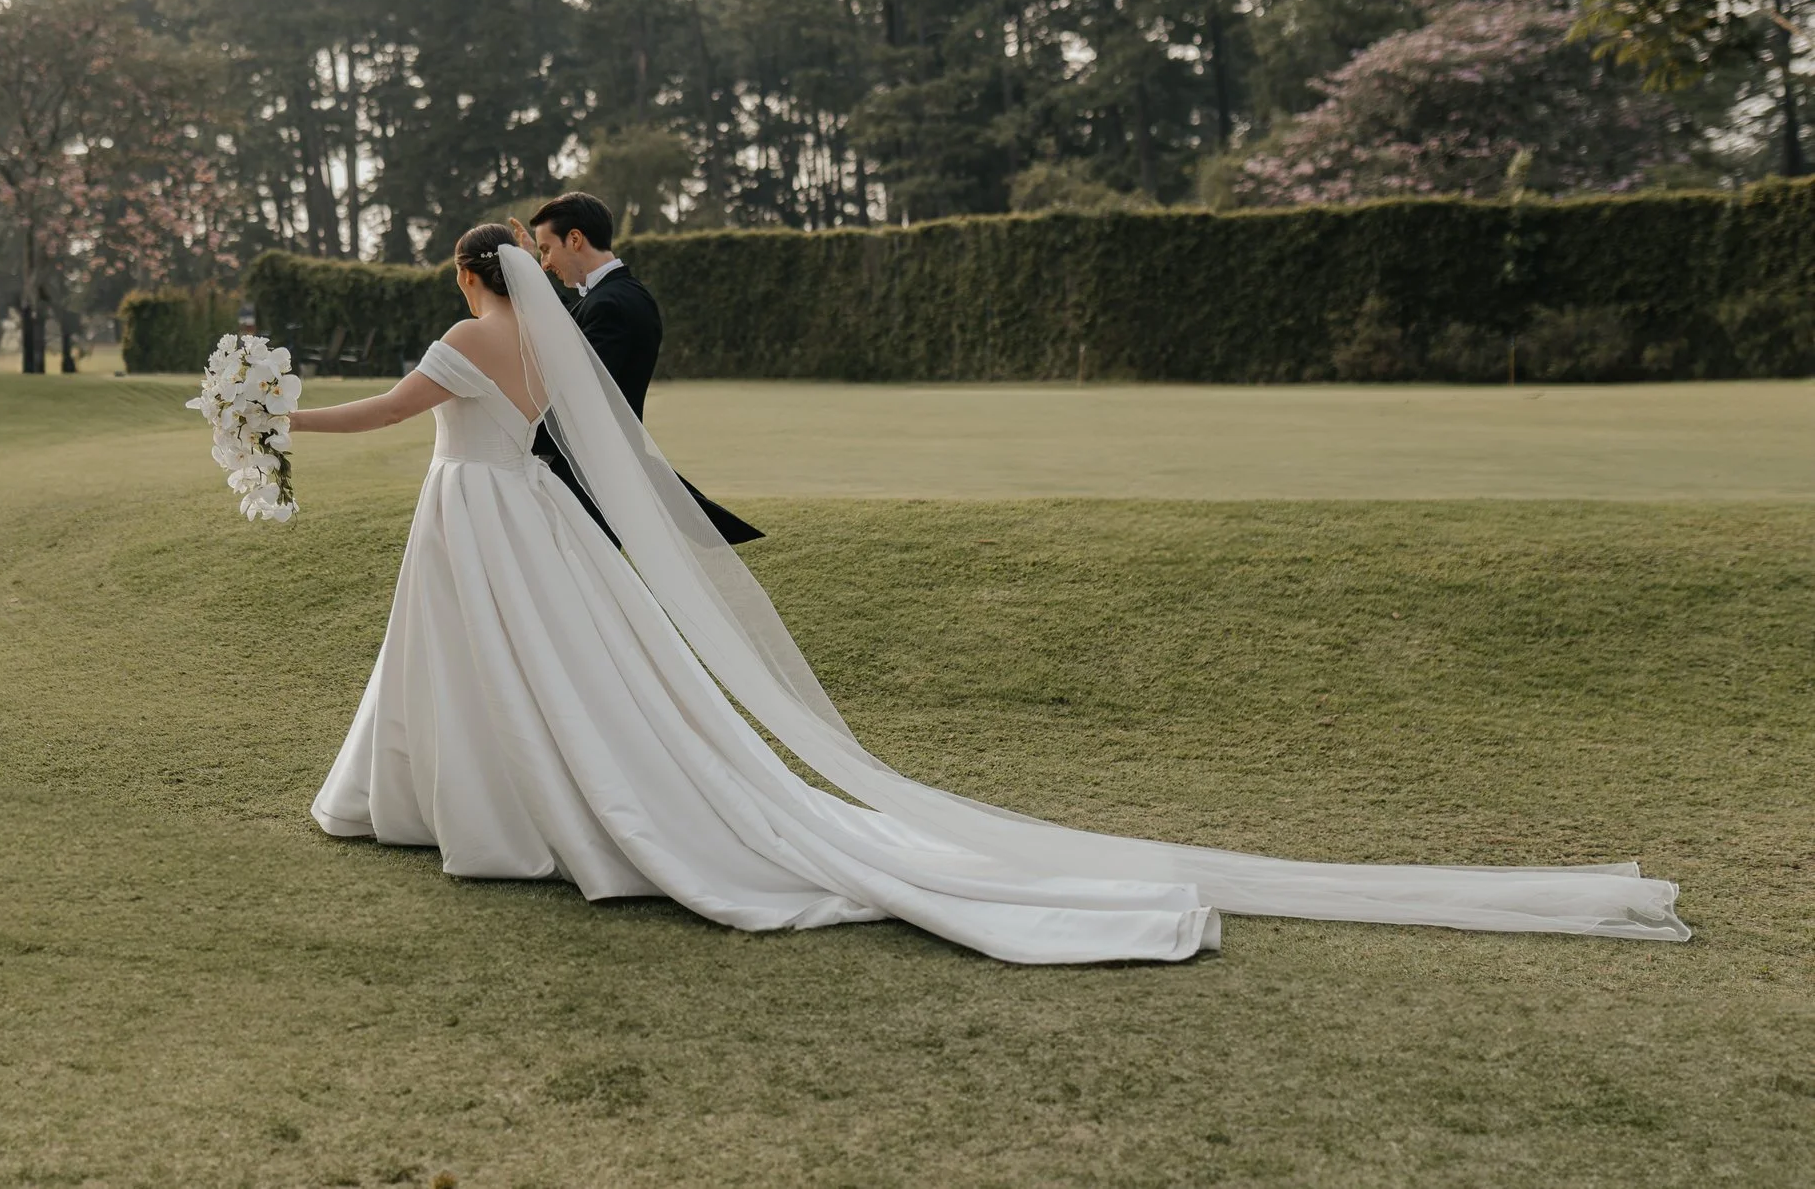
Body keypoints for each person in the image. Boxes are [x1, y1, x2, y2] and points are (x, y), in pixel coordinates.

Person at [285, 226, 1688, 965]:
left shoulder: (466, 333)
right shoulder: (546, 337)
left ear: (473, 273)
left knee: (488, 671)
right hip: (524, 516)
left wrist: (272, 412)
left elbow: (384, 413)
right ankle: (509, 797)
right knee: (565, 675)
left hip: (473, 515)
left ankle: (474, 803)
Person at [508, 192, 762, 546]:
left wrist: (511, 438)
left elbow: (580, 393)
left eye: (547, 249)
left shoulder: (611, 304)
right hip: (593, 470)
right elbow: (573, 328)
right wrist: (531, 279)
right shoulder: (613, 297)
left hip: (592, 479)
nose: (545, 262)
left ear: (576, 239)